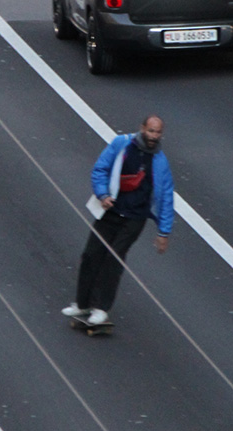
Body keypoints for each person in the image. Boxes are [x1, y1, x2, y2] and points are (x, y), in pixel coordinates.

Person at [63, 115, 174, 326]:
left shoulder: (160, 162)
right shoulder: (121, 145)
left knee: (113, 260)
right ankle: (82, 303)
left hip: (134, 218)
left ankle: (101, 308)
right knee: (90, 255)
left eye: (158, 132)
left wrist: (163, 232)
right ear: (142, 128)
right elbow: (100, 169)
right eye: (151, 131)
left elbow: (166, 197)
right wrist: (103, 194)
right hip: (110, 211)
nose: (154, 136)